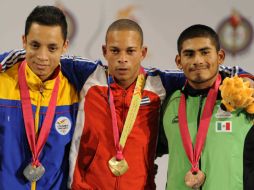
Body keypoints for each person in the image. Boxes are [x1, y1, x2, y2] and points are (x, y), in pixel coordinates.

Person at [1, 20, 251, 190]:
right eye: (115, 50)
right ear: (104, 51)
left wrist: (246, 80)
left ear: (142, 53)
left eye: (130, 51)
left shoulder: (160, 83)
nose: (122, 59)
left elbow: (205, 70)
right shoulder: (87, 74)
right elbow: (44, 54)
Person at [160, 24, 254, 190]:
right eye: (189, 54)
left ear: (220, 57)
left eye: (205, 52)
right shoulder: (169, 103)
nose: (198, 60)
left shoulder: (245, 100)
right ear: (179, 61)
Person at [0, 6, 79, 190]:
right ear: (24, 41)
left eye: (52, 48)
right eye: (35, 45)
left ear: (65, 46)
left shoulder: (76, 92)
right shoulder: (2, 85)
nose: (42, 57)